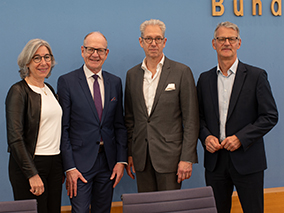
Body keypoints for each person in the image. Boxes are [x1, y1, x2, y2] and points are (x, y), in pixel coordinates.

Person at [197, 21, 278, 213]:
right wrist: (206, 136)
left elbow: (270, 116)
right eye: (221, 39)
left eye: (231, 39)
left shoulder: (256, 76)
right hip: (215, 162)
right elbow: (197, 118)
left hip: (248, 160)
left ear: (238, 43)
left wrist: (241, 138)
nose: (226, 43)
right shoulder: (204, 79)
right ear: (213, 43)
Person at [124, 19, 199, 192]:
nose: (153, 43)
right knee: (147, 207)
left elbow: (191, 120)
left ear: (164, 42)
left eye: (158, 39)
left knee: (170, 207)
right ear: (141, 41)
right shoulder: (132, 75)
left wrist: (187, 158)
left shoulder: (181, 72)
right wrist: (130, 152)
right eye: (148, 39)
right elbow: (129, 119)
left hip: (170, 158)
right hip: (141, 157)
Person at [57, 32, 127, 213]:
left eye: (100, 50)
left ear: (107, 53)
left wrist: (121, 160)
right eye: (90, 49)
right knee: (79, 211)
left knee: (103, 210)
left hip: (108, 162)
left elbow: (119, 125)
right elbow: (63, 129)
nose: (95, 54)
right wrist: (69, 167)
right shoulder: (67, 82)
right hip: (79, 163)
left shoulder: (115, 82)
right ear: (82, 50)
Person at [5, 39, 63, 213]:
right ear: (27, 62)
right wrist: (32, 173)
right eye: (37, 58)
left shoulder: (49, 89)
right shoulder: (18, 91)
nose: (43, 62)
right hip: (30, 165)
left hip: (54, 163)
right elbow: (15, 137)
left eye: (47, 57)